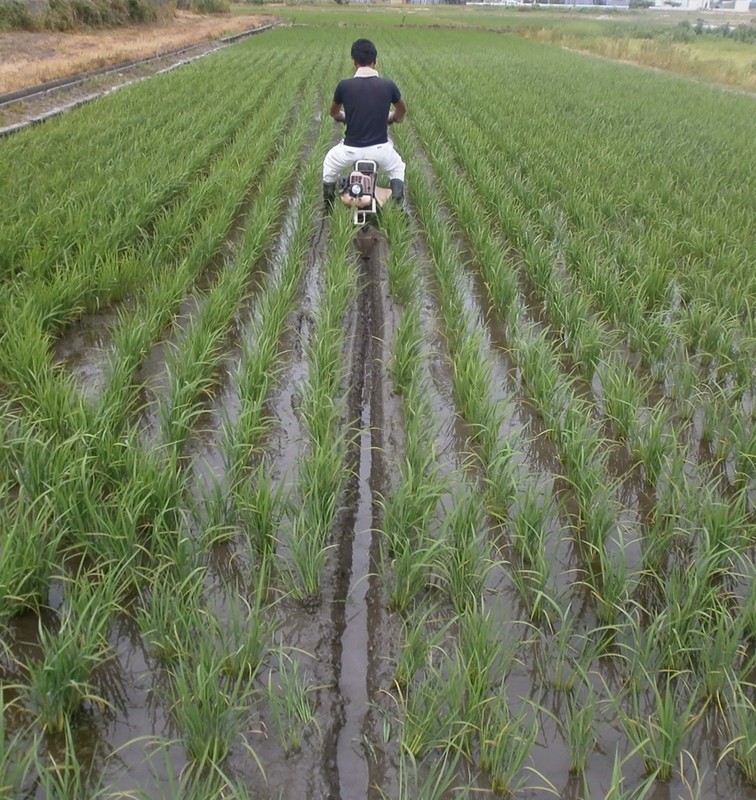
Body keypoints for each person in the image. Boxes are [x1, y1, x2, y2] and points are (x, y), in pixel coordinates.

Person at [322, 39, 407, 208]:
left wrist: (345, 117)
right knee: (397, 168)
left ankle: (328, 206)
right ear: (375, 61)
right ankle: (397, 205)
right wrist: (393, 118)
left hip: (350, 151)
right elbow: (401, 111)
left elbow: (334, 112)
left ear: (354, 62)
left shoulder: (344, 86)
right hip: (380, 151)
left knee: (329, 165)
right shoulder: (388, 85)